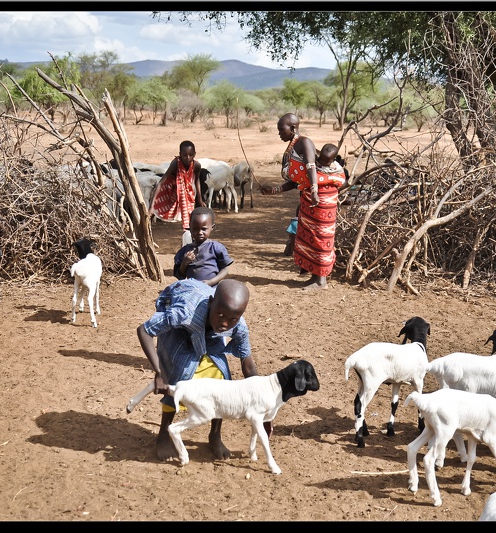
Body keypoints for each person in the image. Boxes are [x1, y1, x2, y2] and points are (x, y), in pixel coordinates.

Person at [136, 278, 269, 461]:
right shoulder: (185, 311)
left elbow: (248, 363)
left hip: (209, 333)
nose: (225, 323)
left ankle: (215, 435)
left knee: (222, 379)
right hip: (179, 330)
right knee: (177, 378)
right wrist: (160, 372)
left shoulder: (237, 324)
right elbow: (144, 330)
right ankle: (164, 433)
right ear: (211, 302)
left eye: (232, 319)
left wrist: (263, 403)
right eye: (220, 314)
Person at [260, 114, 347, 290]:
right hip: (310, 196)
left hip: (321, 197)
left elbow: (311, 167)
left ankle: (321, 281)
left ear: (292, 128)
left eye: (281, 129)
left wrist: (314, 191)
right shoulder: (293, 147)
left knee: (320, 236)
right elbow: (298, 180)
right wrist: (274, 191)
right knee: (311, 236)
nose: (279, 133)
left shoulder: (304, 142)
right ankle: (315, 277)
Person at [150, 140, 206, 245]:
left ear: (194, 154)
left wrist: (199, 198)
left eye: (190, 155)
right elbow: (162, 181)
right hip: (171, 190)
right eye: (184, 155)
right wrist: (151, 206)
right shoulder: (176, 163)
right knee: (159, 209)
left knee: (190, 218)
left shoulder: (196, 165)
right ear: (180, 154)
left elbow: (197, 179)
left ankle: (189, 241)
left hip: (187, 192)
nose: (188, 158)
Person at [172, 206, 233, 286]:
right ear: (190, 227)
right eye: (195, 229)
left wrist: (210, 282)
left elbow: (224, 270)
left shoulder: (216, 248)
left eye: (204, 229)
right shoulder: (184, 251)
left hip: (212, 289)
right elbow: (180, 275)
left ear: (212, 227)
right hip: (192, 288)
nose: (200, 232)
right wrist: (185, 262)